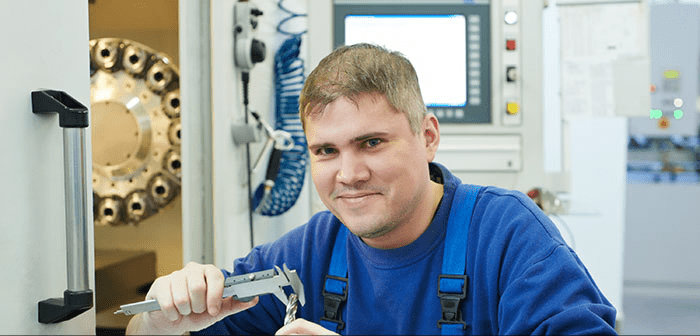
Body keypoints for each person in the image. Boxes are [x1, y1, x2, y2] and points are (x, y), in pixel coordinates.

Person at [126, 43, 617, 335]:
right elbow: (143, 332)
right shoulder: (311, 252)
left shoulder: (507, 236)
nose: (349, 173)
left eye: (372, 142)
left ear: (427, 136)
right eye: (326, 151)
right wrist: (160, 320)